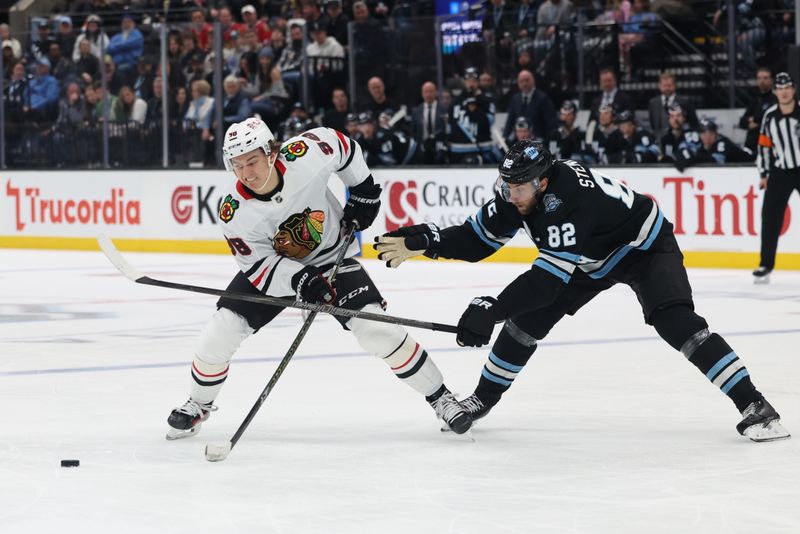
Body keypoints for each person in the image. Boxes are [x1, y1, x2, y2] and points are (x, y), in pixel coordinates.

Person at [373, 139, 790, 443]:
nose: (509, 195)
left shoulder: (566, 199)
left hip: (642, 247)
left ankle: (755, 404)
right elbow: (477, 240)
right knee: (526, 323)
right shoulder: (518, 193)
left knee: (676, 322)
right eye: (507, 186)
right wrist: (427, 243)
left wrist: (493, 308)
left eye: (518, 189)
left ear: (541, 183)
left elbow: (547, 281)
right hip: (587, 258)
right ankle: (480, 400)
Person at [165, 117, 472, 439]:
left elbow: (343, 146)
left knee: (378, 330)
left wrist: (363, 188)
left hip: (331, 259)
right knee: (221, 331)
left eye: (252, 161)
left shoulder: (304, 153)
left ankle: (442, 398)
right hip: (279, 270)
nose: (247, 173)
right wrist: (299, 280)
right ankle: (198, 405)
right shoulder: (234, 211)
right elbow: (258, 267)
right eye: (237, 165)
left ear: (272, 152)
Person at [754, 72, 800, 284]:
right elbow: (764, 146)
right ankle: (766, 264)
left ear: (793, 89)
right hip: (780, 171)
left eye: (787, 87)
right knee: (770, 217)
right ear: (775, 92)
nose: (783, 92)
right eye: (779, 88)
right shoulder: (770, 116)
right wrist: (764, 173)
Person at [739, 67, 777, 152]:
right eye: (759, 78)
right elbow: (742, 122)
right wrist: (752, 121)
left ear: (771, 80)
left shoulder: (775, 98)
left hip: (769, 146)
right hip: (751, 145)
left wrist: (754, 119)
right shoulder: (755, 99)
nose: (762, 81)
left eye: (765, 78)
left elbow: (769, 118)